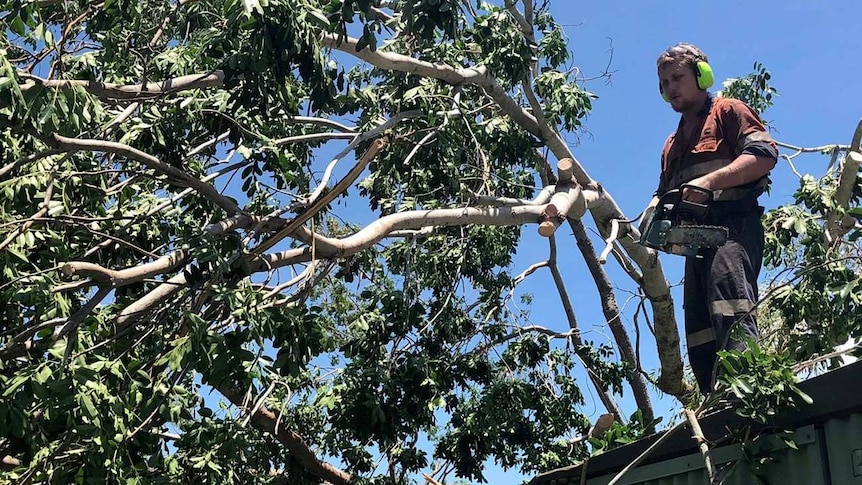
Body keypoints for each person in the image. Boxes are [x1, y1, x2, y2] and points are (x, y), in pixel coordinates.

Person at [648, 43, 778, 395]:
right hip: (696, 242)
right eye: (664, 83)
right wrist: (652, 212)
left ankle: (749, 389)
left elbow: (764, 155)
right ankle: (713, 400)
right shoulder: (672, 144)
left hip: (732, 230)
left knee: (729, 302)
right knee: (699, 323)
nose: (670, 87)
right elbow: (664, 194)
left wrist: (708, 182)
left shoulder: (728, 112)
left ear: (701, 75)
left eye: (677, 77)